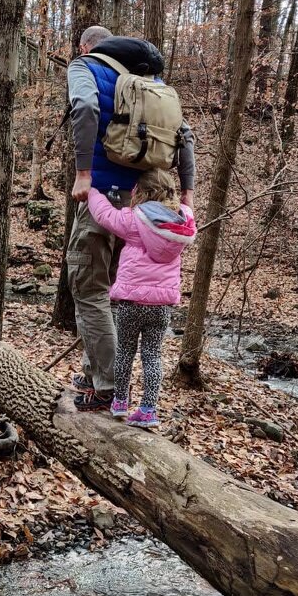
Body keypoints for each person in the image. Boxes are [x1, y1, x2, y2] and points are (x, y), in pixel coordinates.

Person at [66, 26, 196, 411]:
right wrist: (186, 191)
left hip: (103, 197)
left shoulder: (85, 66)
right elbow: (185, 137)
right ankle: (99, 377)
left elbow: (86, 108)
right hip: (147, 202)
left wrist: (84, 173)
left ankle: (106, 386)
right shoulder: (150, 77)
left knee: (89, 288)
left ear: (86, 46)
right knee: (116, 292)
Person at [85, 169, 196, 428]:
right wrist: (187, 195)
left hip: (131, 303)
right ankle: (148, 410)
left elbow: (104, 215)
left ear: (141, 193)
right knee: (152, 355)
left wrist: (92, 190)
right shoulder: (182, 223)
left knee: (125, 352)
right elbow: (188, 207)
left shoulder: (135, 220)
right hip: (161, 307)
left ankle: (120, 403)